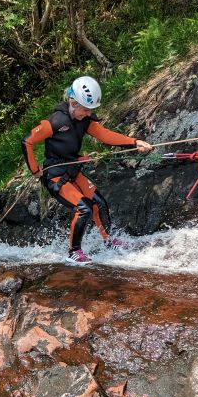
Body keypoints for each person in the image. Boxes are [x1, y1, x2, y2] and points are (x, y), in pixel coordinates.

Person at [22, 75, 152, 264]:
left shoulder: (85, 120)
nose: (88, 114)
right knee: (83, 208)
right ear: (73, 103)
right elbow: (27, 141)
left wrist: (134, 142)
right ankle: (74, 252)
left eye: (91, 110)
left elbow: (106, 135)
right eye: (85, 110)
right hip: (55, 175)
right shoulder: (55, 122)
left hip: (73, 170)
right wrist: (34, 170)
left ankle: (109, 241)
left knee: (98, 202)